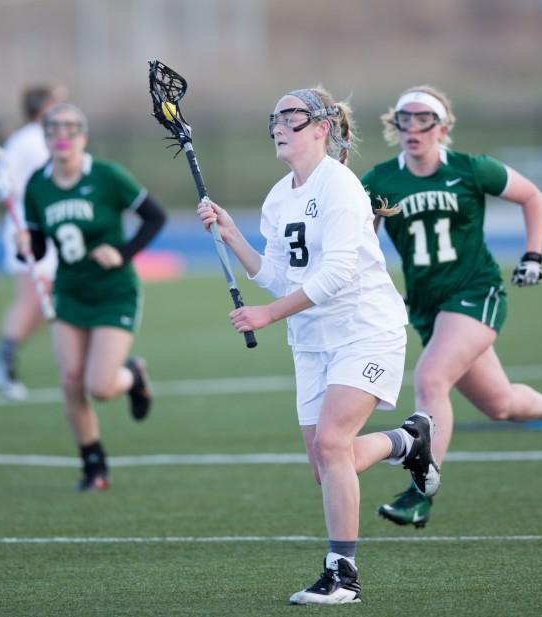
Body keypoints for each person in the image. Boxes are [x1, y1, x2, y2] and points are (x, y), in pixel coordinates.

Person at [196, 87, 439, 605]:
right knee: (327, 464)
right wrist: (234, 236)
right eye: (275, 118)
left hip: (364, 328)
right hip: (312, 342)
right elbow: (279, 275)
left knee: (332, 447)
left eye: (292, 117)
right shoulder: (278, 197)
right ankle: (406, 442)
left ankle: (342, 575)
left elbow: (335, 275)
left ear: (322, 127)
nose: (279, 126)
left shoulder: (341, 187)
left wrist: (267, 315)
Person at [361, 85, 542, 529]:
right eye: (404, 120)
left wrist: (533, 254)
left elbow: (532, 196)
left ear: (443, 127)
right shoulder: (379, 181)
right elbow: (359, 244)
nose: (413, 128)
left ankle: (421, 493)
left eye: (423, 119)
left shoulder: (471, 169)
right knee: (501, 403)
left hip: (477, 292)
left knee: (431, 379)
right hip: (428, 308)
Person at [21, 103, 167, 490]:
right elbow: (36, 249)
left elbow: (156, 217)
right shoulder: (37, 185)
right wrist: (25, 247)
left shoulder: (107, 176)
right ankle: (94, 466)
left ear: (83, 137)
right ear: (46, 137)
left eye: (70, 129)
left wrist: (123, 252)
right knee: (71, 380)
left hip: (114, 292)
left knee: (99, 387)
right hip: (70, 293)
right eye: (53, 129)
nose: (62, 137)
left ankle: (132, 376)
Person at [0, 85, 64, 400]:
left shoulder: (33, 139)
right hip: (27, 232)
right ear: (43, 107)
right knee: (32, 297)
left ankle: (2, 351)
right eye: (57, 101)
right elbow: (12, 185)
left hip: (45, 231)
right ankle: (2, 358)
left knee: (49, 302)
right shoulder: (29, 140)